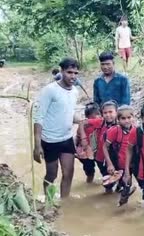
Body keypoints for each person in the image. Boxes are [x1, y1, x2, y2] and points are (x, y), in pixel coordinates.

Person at [33, 57, 83, 198]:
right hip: (50, 140)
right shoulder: (50, 90)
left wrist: (81, 121)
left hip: (67, 138)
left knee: (68, 173)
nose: (73, 76)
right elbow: (39, 117)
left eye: (75, 73)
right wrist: (37, 145)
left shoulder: (74, 92)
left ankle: (64, 202)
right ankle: (49, 200)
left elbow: (68, 112)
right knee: (52, 173)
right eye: (69, 72)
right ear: (61, 71)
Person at [79, 100, 118, 193]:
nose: (108, 115)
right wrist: (83, 138)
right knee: (108, 182)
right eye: (105, 113)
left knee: (119, 177)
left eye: (111, 112)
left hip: (116, 156)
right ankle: (109, 195)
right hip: (101, 157)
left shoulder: (121, 123)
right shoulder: (100, 122)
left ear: (116, 112)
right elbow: (82, 123)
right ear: (102, 114)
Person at [103, 105, 137, 206]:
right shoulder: (115, 131)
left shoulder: (136, 130)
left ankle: (122, 200)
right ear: (118, 120)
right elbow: (105, 147)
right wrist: (109, 164)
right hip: (116, 163)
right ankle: (110, 197)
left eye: (129, 118)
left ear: (133, 118)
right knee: (109, 185)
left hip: (129, 164)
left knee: (126, 184)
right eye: (123, 118)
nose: (126, 121)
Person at [75, 102, 101, 183]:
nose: (97, 117)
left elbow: (77, 137)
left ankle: (89, 182)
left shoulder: (100, 121)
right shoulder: (85, 124)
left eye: (98, 114)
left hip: (94, 151)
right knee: (90, 172)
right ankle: (89, 183)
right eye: (95, 115)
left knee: (91, 171)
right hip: (86, 153)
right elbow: (78, 137)